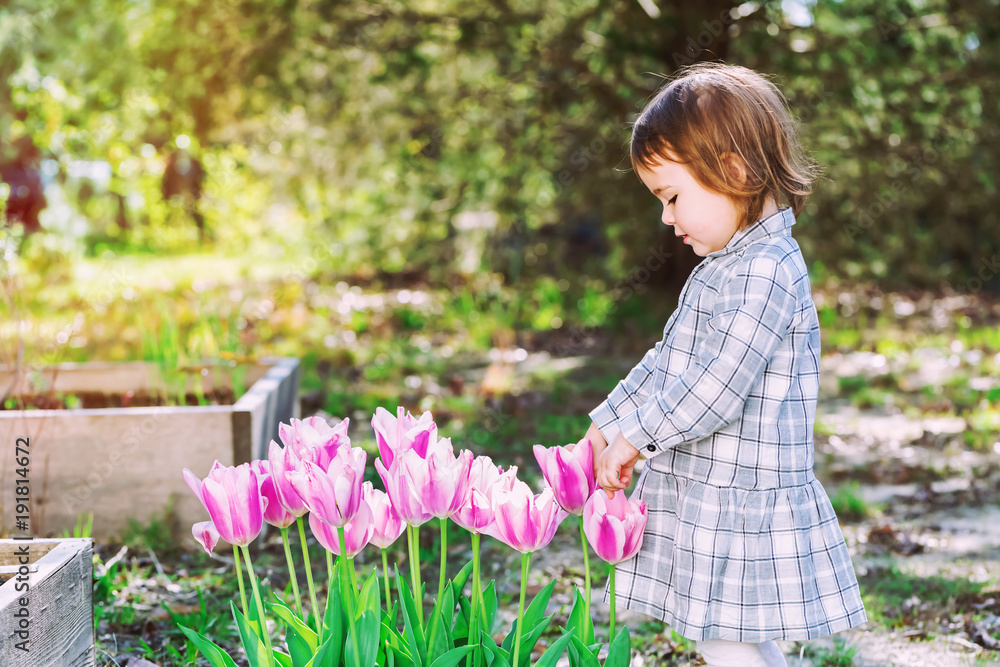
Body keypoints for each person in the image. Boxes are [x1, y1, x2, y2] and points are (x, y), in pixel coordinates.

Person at [573, 63, 867, 666]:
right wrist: (610, 420)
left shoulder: (764, 271)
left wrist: (637, 435)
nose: (666, 218)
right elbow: (671, 361)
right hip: (718, 492)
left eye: (672, 196)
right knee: (741, 636)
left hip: (742, 500)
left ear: (733, 171)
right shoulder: (729, 267)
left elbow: (714, 387)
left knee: (724, 639)